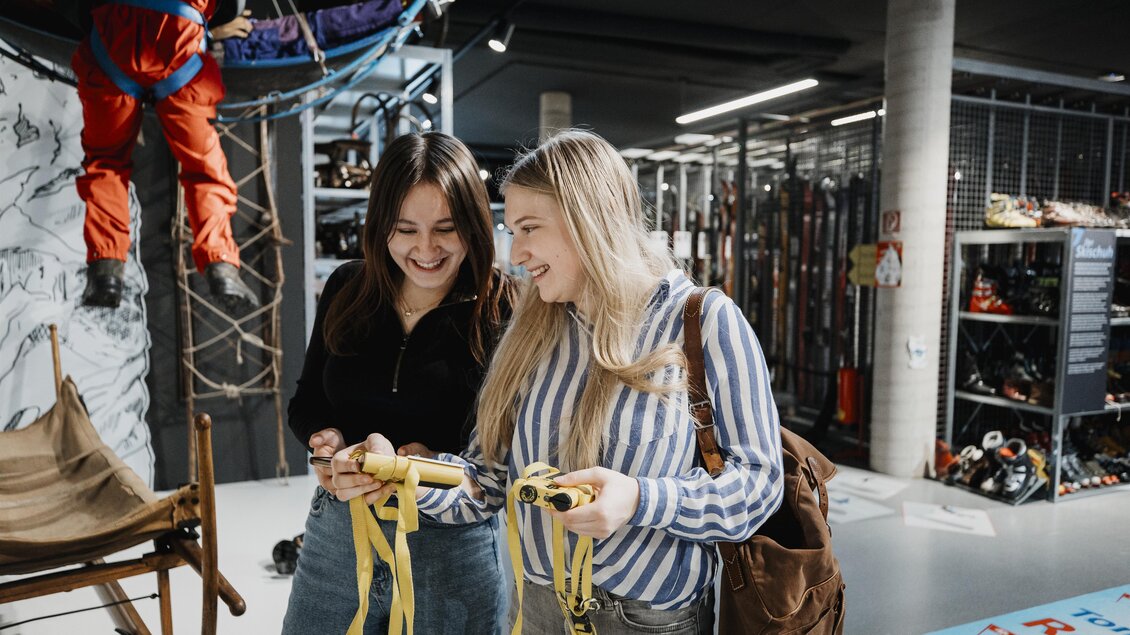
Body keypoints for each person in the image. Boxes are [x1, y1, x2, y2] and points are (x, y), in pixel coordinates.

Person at [331, 129, 785, 634]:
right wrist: (399, 475)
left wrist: (639, 499)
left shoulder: (703, 321)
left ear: (588, 220)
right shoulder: (535, 329)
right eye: (512, 231)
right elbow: (485, 483)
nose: (517, 252)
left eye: (528, 228)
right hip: (538, 609)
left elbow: (759, 487)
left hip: (647, 620)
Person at [283, 132, 514, 634]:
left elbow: (508, 453)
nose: (425, 249)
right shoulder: (349, 287)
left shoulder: (503, 309)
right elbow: (307, 401)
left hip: (451, 544)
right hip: (341, 528)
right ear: (381, 226)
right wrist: (327, 443)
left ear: (474, 227)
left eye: (446, 229)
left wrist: (429, 464)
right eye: (405, 229)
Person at [72, 0, 258, 311]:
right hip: (180, 59)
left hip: (111, 49)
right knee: (203, 170)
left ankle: (105, 269)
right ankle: (221, 265)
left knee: (106, 163)